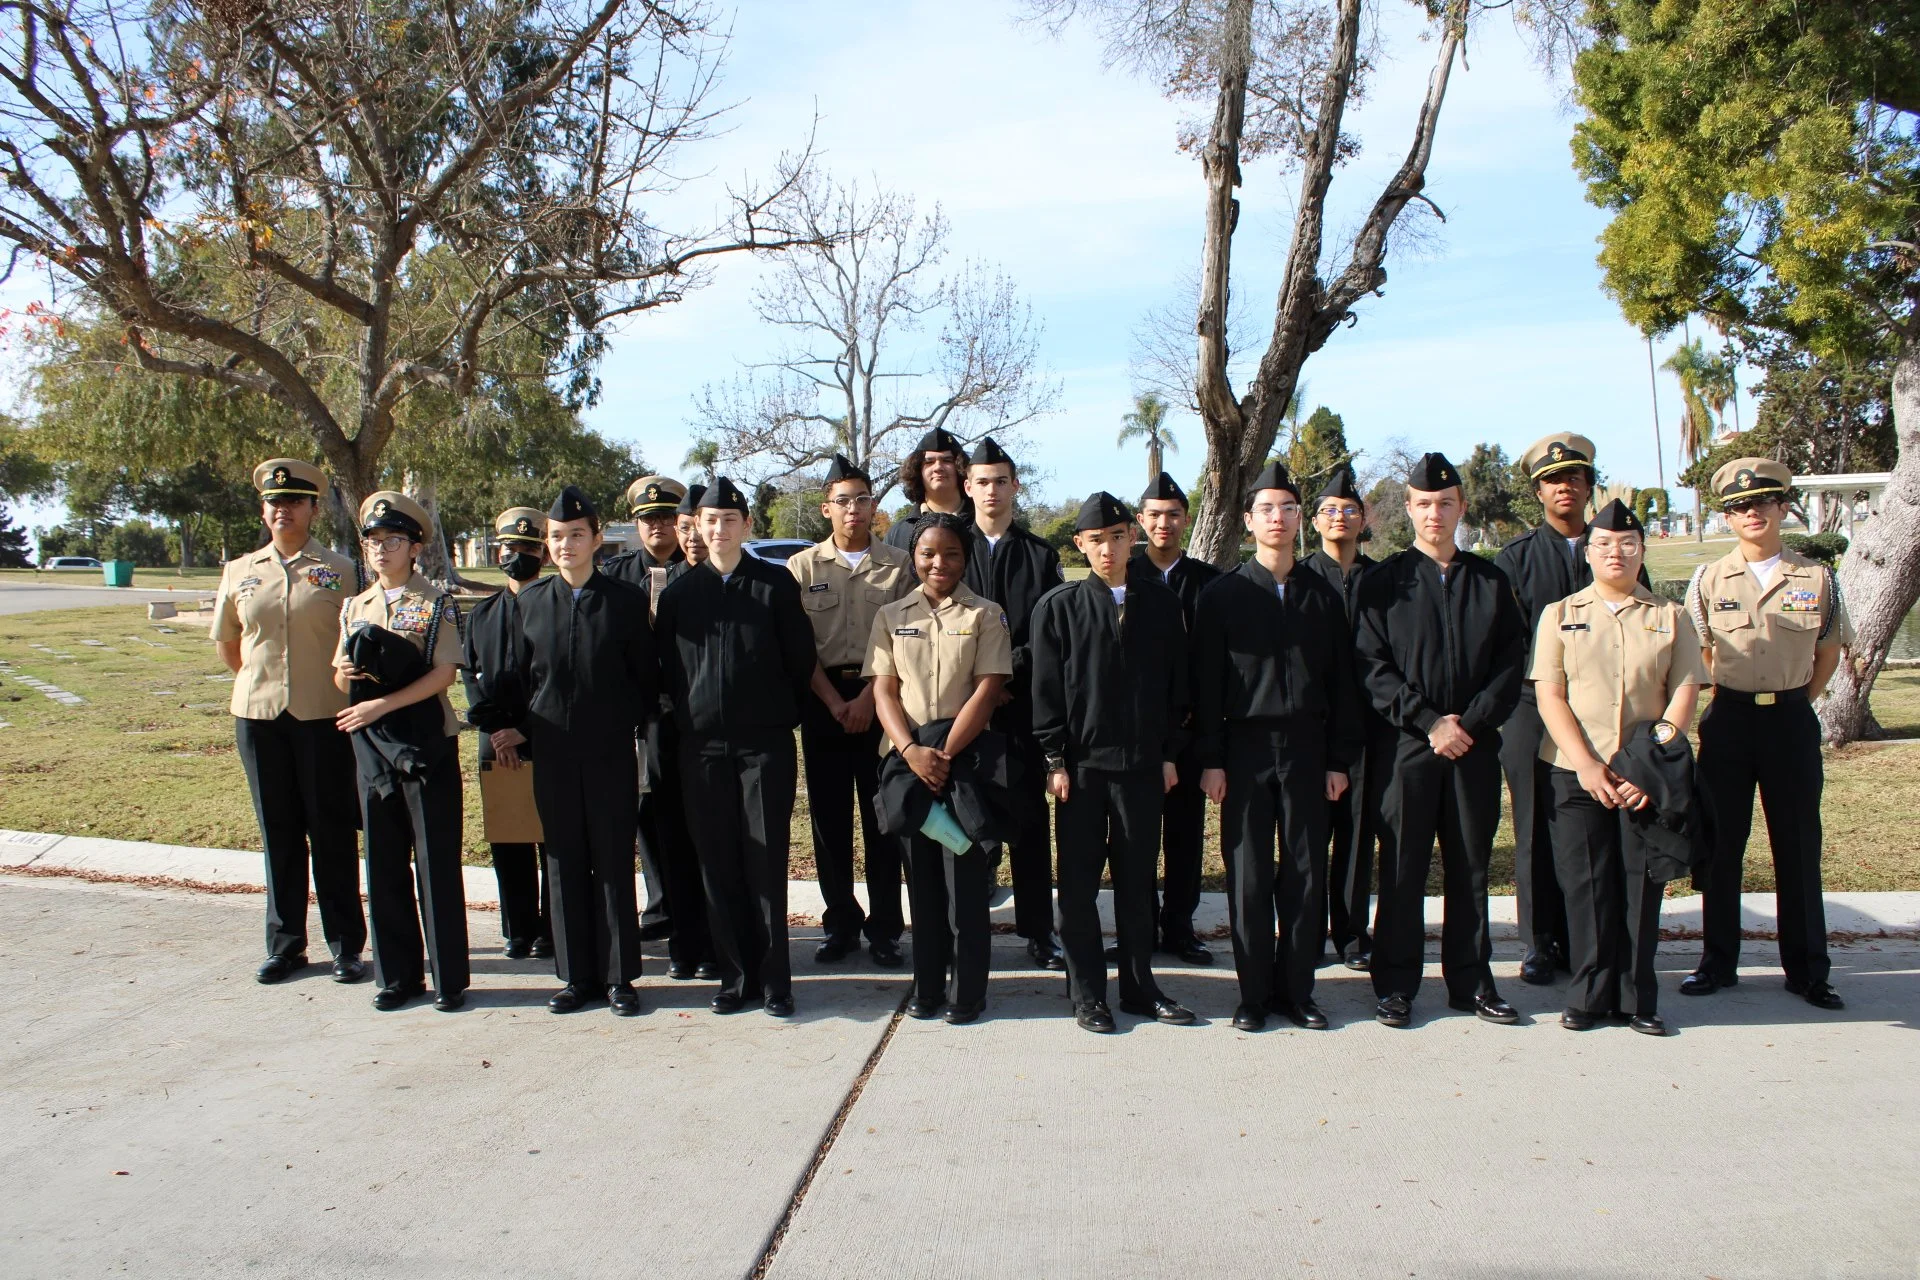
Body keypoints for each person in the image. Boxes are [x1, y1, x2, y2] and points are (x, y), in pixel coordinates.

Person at [1355, 452, 1528, 1028]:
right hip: (1408, 747)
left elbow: (1510, 665)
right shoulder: (1383, 582)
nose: (1435, 514)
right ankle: (1396, 984)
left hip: (1474, 747)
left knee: (1470, 866)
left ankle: (1472, 983)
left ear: (1462, 508)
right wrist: (1429, 721)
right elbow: (1371, 667)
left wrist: (1469, 724)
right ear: (1408, 509)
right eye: (1424, 504)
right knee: (1402, 868)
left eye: (1445, 504)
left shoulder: (1490, 581)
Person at [1193, 462, 1363, 1031]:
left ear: (1299, 519)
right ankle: (1253, 994)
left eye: (1287, 509)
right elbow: (1206, 685)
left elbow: (1342, 684)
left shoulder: (1323, 595)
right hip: (1243, 747)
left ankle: (1298, 990)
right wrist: (1211, 759)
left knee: (1306, 872)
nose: (1277, 518)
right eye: (1266, 509)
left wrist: (1338, 759)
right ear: (1248, 520)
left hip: (1307, 749)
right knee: (1248, 874)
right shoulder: (1224, 595)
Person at [1682, 458, 1853, 1010]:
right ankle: (1717, 962)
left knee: (1799, 845)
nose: (1750, 513)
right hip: (1728, 721)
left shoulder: (1818, 578)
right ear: (1727, 518)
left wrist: (1797, 699)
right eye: (1737, 507)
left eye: (1761, 502)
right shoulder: (1708, 579)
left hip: (1789, 722)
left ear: (1783, 506)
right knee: (1721, 845)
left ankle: (1807, 971)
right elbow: (1700, 649)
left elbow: (1828, 650)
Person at [1532, 499, 1707, 1035]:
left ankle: (1637, 997)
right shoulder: (1560, 615)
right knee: (1585, 886)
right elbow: (1550, 695)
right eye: (1604, 544)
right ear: (1588, 553)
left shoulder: (1670, 616)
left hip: (1643, 773)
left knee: (1638, 885)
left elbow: (1683, 691)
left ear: (1642, 552)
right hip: (1573, 771)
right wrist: (1585, 764)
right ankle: (1588, 994)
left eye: (1627, 544)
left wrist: (1647, 764)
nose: (1616, 553)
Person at [1032, 491, 1195, 1033]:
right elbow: (1047, 691)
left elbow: (1177, 688)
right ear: (1080, 544)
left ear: (1133, 538)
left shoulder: (1161, 603)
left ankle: (1139, 987)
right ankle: (1086, 995)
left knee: (1135, 882)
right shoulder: (1059, 607)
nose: (1108, 549)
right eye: (1096, 541)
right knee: (1078, 886)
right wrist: (1055, 758)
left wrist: (1170, 754)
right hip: (1081, 770)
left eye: (1118, 537)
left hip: (1143, 767)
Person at [655, 477, 817, 1017]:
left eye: (729, 519)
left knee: (764, 861)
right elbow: (668, 672)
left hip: (762, 747)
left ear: (747, 526)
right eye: (709, 520)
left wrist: (773, 719)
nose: (719, 529)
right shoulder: (680, 594)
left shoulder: (775, 586)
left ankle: (775, 982)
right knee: (718, 864)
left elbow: (799, 663)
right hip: (700, 750)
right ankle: (736, 976)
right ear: (695, 528)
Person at [212, 458, 367, 985]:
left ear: (313, 509)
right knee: (277, 831)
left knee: (331, 832)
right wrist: (265, 688)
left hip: (324, 717)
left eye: (295, 501)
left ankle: (347, 945)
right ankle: (286, 944)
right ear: (264, 509)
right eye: (275, 502)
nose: (283, 510)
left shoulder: (341, 571)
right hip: (259, 718)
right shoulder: (239, 571)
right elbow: (231, 647)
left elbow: (355, 643)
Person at [514, 485, 658, 1016]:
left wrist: (628, 726)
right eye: (557, 537)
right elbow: (517, 678)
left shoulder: (623, 602)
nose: (566, 545)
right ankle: (576, 976)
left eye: (577, 535)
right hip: (552, 752)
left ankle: (621, 977)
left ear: (597, 538)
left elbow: (645, 678)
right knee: (562, 860)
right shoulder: (530, 604)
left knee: (614, 860)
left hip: (609, 752)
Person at [866, 513, 1013, 1023]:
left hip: (962, 768)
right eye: (928, 553)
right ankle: (927, 988)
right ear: (914, 557)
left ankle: (968, 992)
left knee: (965, 890)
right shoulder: (889, 615)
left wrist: (943, 755)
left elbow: (988, 689)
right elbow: (884, 690)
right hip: (908, 768)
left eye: (951, 554)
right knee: (922, 888)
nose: (939, 563)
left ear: (965, 559)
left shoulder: (986, 614)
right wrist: (911, 752)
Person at [332, 491, 469, 1011]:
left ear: (414, 548)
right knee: (384, 864)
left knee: (434, 863)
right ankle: (397, 977)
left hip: (423, 740)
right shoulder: (354, 606)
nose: (381, 550)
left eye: (393, 541)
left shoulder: (436, 602)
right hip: (370, 747)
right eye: (372, 542)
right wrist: (343, 672)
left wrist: (380, 705)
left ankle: (449, 980)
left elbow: (443, 673)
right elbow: (338, 664)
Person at [788, 455, 915, 968]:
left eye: (862, 499)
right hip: (824, 706)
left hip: (881, 701)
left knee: (884, 818)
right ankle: (839, 921)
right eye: (843, 501)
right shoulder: (802, 568)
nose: (854, 509)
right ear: (826, 509)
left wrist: (867, 699)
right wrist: (836, 702)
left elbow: (906, 640)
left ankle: (886, 928)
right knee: (829, 820)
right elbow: (799, 648)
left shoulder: (899, 566)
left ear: (874, 507)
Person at [1496, 432, 1602, 986]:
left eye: (1575, 478)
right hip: (1531, 708)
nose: (1565, 487)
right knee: (1536, 825)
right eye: (1553, 480)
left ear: (1588, 486)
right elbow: (1503, 642)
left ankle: (1591, 937)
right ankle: (1539, 942)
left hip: (1601, 711)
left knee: (1591, 825)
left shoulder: (1614, 548)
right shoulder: (1515, 560)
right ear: (1538, 491)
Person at [961, 436, 1068, 970]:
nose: (992, 491)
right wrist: (979, 683)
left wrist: (1004, 676)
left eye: (1001, 481)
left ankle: (1037, 931)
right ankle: (967, 931)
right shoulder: (949, 547)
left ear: (1015, 486)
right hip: (960, 710)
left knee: (1027, 824)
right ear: (967, 487)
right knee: (968, 823)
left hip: (1020, 705)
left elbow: (1048, 636)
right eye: (982, 482)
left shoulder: (1040, 555)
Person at [601, 474, 711, 979]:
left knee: (692, 817)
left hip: (693, 716)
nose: (659, 528)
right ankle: (662, 904)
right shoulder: (619, 576)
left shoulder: (701, 572)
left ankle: (695, 921)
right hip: (641, 716)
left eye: (669, 518)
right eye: (649, 520)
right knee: (650, 811)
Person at [1127, 471, 1220, 965]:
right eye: (1154, 515)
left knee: (1184, 836)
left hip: (1187, 731)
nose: (1164, 523)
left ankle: (1180, 927)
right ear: (1141, 521)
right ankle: (1138, 926)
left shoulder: (1209, 583)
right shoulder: (1125, 576)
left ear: (1186, 519)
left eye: (1173, 514)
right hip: (1137, 730)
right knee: (1136, 837)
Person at [1296, 464, 1381, 971]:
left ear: (1362, 519)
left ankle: (1351, 931)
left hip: (1368, 725)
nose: (1340, 517)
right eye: (1330, 510)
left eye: (1349, 510)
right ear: (1315, 520)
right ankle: (1305, 930)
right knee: (1308, 836)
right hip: (1311, 723)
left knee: (1355, 832)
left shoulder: (1382, 577)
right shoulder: (1302, 579)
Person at [461, 506, 552, 961]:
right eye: (509, 548)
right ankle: (519, 928)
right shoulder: (482, 614)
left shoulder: (556, 605)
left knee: (555, 838)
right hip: (496, 739)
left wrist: (523, 729)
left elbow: (564, 680)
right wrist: (497, 728)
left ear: (544, 551)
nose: (517, 555)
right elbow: (471, 677)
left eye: (527, 547)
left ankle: (554, 927)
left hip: (549, 734)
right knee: (510, 835)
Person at [884, 426, 973, 551]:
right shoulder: (898, 533)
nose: (938, 467)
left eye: (947, 460)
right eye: (929, 462)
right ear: (916, 470)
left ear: (960, 466)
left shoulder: (981, 524)